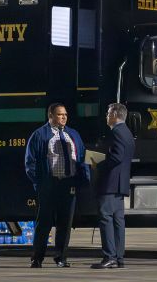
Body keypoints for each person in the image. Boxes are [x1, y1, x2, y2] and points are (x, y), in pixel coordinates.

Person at [24, 103, 88, 268]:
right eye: (60, 114)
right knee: (43, 223)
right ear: (50, 116)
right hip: (50, 184)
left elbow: (82, 158)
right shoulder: (40, 135)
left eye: (65, 114)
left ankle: (61, 257)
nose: (64, 117)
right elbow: (30, 162)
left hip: (68, 184)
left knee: (65, 224)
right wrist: (40, 184)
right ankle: (37, 258)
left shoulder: (73, 135)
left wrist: (82, 179)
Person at [91, 103, 134, 269]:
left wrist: (98, 165)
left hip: (110, 183)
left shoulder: (116, 132)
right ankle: (119, 256)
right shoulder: (128, 133)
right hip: (120, 184)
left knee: (106, 218)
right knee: (118, 221)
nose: (106, 116)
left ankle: (109, 256)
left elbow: (116, 157)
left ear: (115, 115)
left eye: (108, 113)